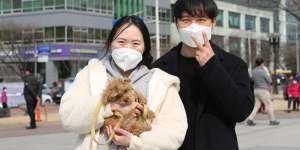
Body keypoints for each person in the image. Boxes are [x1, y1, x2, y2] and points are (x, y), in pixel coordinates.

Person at [59, 16, 187, 150]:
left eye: (136, 43)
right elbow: (68, 116)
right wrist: (110, 107)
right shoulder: (91, 73)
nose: (128, 48)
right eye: (121, 42)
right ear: (110, 43)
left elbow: (174, 133)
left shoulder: (162, 82)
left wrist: (134, 142)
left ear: (145, 47)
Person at [151, 0, 254, 150]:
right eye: (186, 20)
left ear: (213, 23)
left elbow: (241, 111)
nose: (194, 26)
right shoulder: (160, 67)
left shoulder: (233, 64)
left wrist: (212, 66)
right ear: (176, 22)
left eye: (201, 20)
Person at [247, 58, 280, 126]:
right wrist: (267, 72)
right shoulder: (263, 71)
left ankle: (250, 119)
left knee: (256, 106)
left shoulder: (253, 71)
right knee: (269, 104)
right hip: (263, 90)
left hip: (256, 90)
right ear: (262, 64)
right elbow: (269, 80)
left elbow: (252, 80)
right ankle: (272, 120)